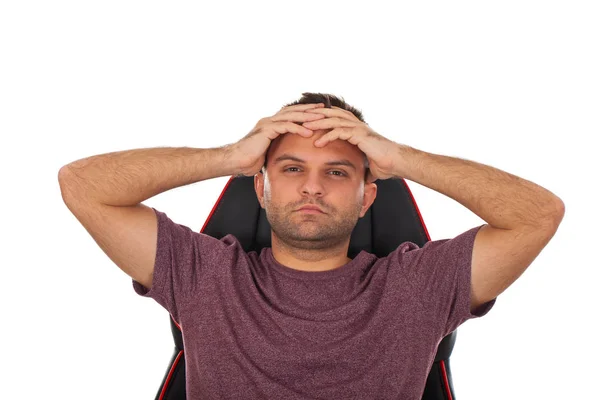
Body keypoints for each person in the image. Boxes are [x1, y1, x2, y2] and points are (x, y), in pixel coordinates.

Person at [58, 92, 564, 399]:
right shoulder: (204, 272)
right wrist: (230, 155)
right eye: (292, 168)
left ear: (369, 196)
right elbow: (82, 185)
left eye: (337, 172)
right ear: (260, 187)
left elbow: (538, 215)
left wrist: (399, 157)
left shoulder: (417, 286)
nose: (312, 187)